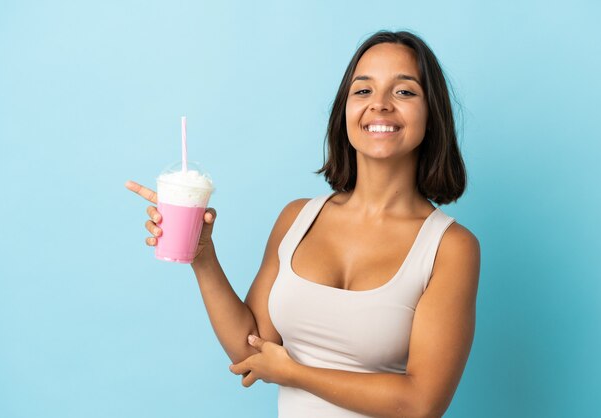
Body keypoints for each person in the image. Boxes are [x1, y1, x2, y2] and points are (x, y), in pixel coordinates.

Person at [126, 29, 480, 418]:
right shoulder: (298, 218)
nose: (379, 105)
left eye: (404, 91)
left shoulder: (450, 246)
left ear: (432, 115)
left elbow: (420, 403)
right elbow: (250, 349)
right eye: (362, 91)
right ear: (343, 112)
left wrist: (294, 373)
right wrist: (202, 255)